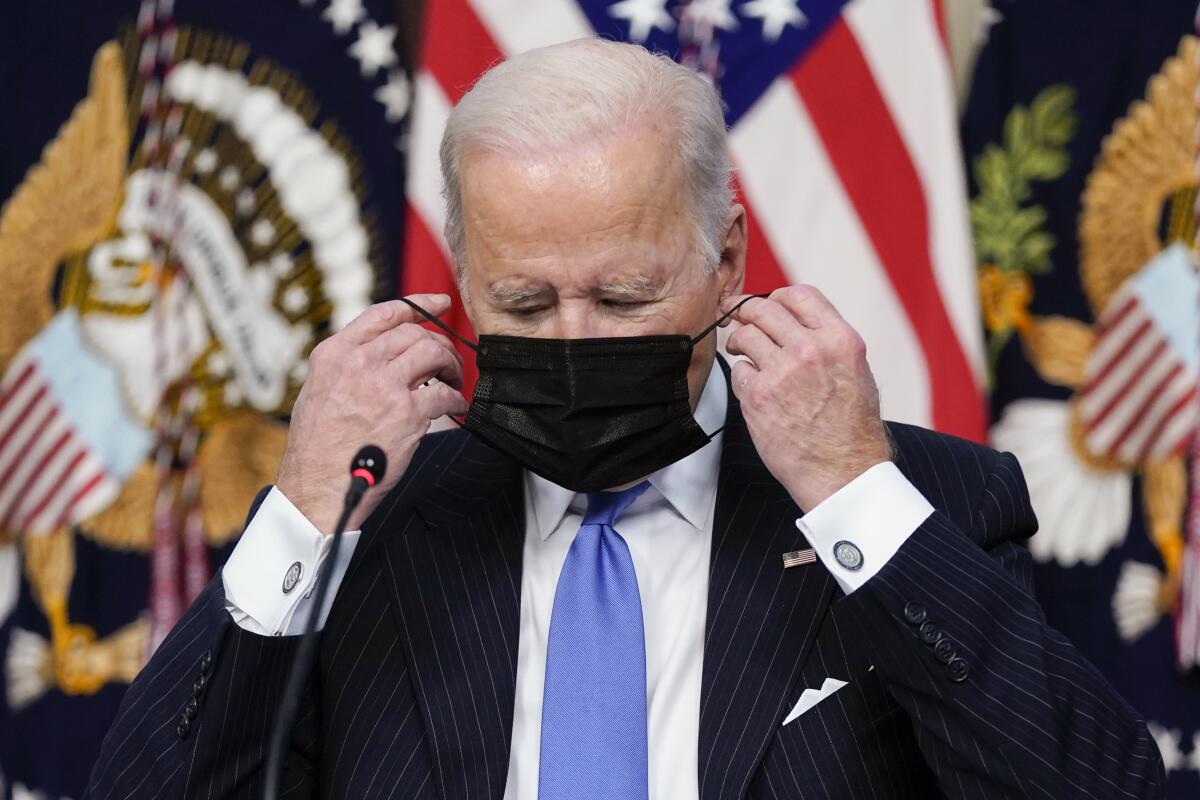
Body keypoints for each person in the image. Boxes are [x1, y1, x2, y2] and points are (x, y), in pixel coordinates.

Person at [86, 38, 1163, 800]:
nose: (572, 341)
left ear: (727, 257)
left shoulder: (920, 501)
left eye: (623, 297)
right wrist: (301, 513)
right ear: (462, 275)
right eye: (521, 302)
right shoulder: (369, 527)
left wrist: (856, 496)